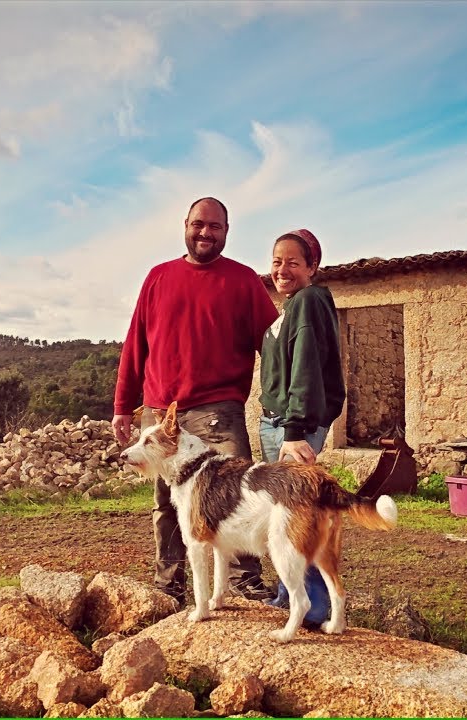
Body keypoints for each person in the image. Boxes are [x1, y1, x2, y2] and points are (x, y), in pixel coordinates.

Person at [112, 196, 280, 605]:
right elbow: (136, 345)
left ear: (226, 232)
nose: (206, 233)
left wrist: (287, 402)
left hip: (217, 410)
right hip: (158, 408)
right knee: (167, 503)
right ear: (185, 224)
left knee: (238, 494)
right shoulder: (158, 278)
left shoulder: (242, 281)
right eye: (199, 224)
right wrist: (122, 406)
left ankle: (243, 580)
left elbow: (274, 346)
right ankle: (169, 582)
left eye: (216, 227)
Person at [257, 228, 346, 625]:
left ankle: (313, 607)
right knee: (288, 516)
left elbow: (306, 366)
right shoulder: (291, 308)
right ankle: (289, 597)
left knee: (298, 517)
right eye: (277, 261)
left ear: (313, 267)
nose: (282, 269)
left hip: (292, 427)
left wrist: (293, 431)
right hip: (279, 423)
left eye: (293, 262)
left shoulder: (309, 300)